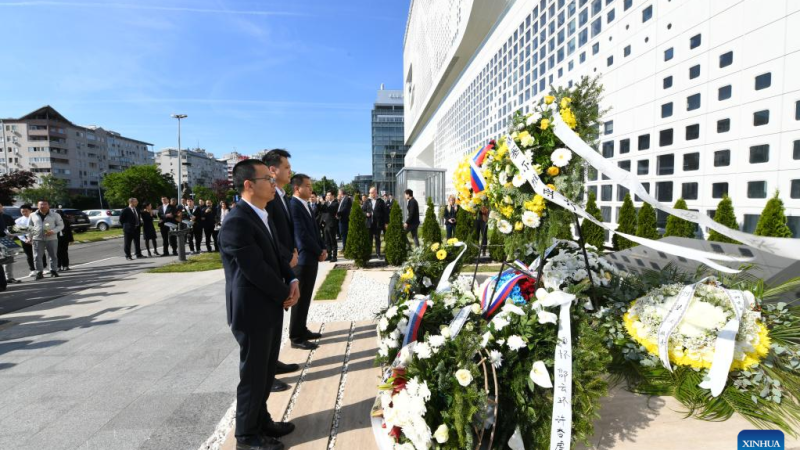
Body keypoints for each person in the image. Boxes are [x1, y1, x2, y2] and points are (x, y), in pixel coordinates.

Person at [220, 159, 298, 450]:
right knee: (253, 374)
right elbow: (255, 269)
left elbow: (276, 257)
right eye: (267, 178)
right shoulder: (237, 221)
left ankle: (261, 420)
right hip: (252, 309)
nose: (273, 183)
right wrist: (284, 293)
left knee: (266, 370)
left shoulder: (260, 213)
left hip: (269, 304)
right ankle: (246, 436)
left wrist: (291, 280)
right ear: (249, 185)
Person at [261, 149, 302, 391]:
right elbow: (271, 233)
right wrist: (288, 256)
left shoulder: (281, 195)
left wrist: (293, 251)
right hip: (277, 263)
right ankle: (266, 374)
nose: (290, 171)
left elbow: (285, 230)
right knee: (268, 323)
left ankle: (272, 363)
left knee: (277, 321)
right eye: (286, 167)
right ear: (273, 170)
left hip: (286, 261)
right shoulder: (269, 198)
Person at [289, 174, 326, 350]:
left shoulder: (304, 205)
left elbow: (314, 231)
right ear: (297, 188)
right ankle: (296, 337)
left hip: (311, 258)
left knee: (306, 298)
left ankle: (302, 329)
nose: (311, 189)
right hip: (303, 260)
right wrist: (318, 251)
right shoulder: (294, 205)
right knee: (299, 298)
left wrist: (323, 248)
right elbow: (301, 235)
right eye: (308, 186)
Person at [29, 200, 63, 279]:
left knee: (53, 255)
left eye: (45, 204)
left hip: (51, 238)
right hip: (37, 238)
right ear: (38, 206)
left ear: (48, 205)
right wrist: (29, 236)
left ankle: (53, 270)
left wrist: (53, 231)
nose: (43, 206)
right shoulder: (32, 215)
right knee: (37, 256)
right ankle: (39, 272)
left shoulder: (55, 215)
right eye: (41, 204)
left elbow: (61, 226)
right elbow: (30, 226)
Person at [15, 204, 45, 276]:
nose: (24, 213)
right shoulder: (18, 221)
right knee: (29, 255)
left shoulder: (37, 218)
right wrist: (25, 240)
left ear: (31, 211)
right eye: (22, 211)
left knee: (40, 254)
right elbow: (18, 233)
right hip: (25, 240)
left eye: (26, 211)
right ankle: (32, 269)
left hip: (37, 238)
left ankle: (43, 268)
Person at [362, 187, 387, 257]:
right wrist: (366, 214)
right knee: (369, 239)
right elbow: (362, 210)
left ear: (375, 193)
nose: (370, 194)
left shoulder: (381, 201)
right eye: (370, 193)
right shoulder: (367, 201)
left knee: (377, 239)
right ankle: (369, 253)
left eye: (371, 193)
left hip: (377, 223)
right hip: (369, 223)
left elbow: (385, 213)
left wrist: (385, 222)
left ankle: (378, 253)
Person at [0, 204, 20, 284]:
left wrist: (12, 235)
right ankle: (2, 279)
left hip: (6, 240)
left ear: (2, 207)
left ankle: (9, 277)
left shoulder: (7, 217)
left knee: (8, 259)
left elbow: (15, 229)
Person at [320, 191, 339, 262]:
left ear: (333, 196)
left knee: (332, 240)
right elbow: (322, 210)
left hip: (332, 224)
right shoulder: (326, 203)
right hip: (325, 224)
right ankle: (329, 255)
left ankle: (334, 256)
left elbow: (330, 209)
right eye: (327, 195)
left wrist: (323, 203)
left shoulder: (335, 203)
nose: (327, 197)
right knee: (327, 241)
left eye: (329, 195)